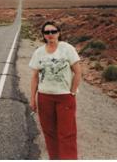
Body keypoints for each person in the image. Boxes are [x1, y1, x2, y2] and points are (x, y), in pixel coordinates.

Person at [29, 21, 82, 160]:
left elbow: (78, 72)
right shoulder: (38, 52)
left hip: (64, 97)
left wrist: (72, 92)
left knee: (66, 133)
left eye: (53, 31)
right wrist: (32, 99)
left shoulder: (67, 49)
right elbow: (34, 77)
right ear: (43, 35)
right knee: (49, 132)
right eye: (47, 32)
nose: (50, 34)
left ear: (59, 33)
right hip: (44, 97)